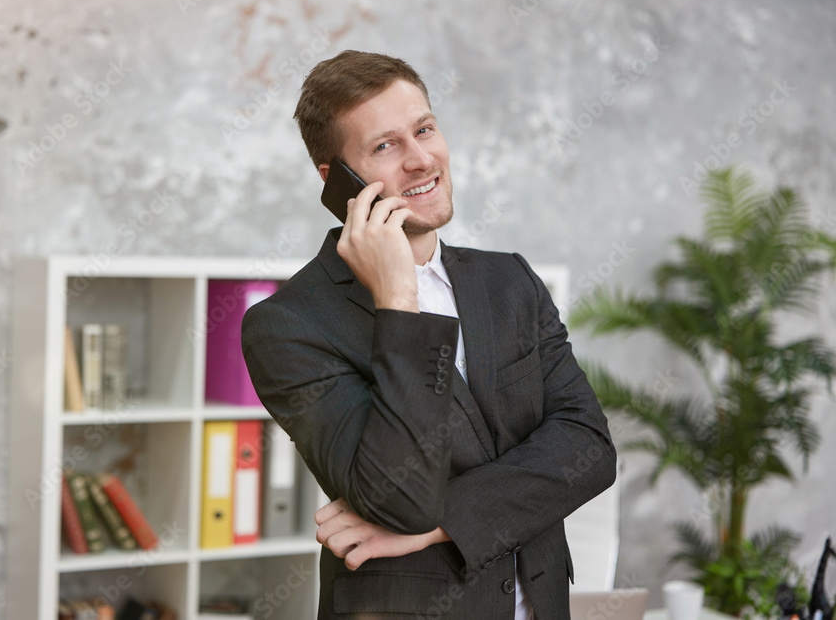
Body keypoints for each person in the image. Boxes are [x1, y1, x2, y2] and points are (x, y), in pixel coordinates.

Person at [241, 50, 616, 619]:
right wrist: (398, 298)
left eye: (424, 130)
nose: (421, 160)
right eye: (384, 146)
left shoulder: (509, 281)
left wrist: (441, 525)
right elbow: (398, 499)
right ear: (335, 180)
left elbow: (589, 448)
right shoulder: (288, 326)